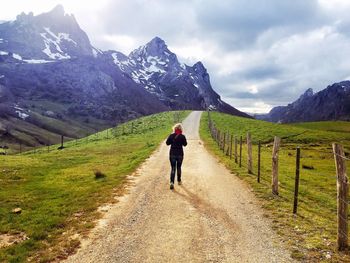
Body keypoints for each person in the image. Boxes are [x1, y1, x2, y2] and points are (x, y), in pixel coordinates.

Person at [166, 123, 187, 190]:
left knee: (173, 168)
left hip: (172, 154)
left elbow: (167, 143)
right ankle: (179, 181)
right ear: (181, 129)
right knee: (179, 167)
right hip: (180, 154)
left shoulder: (171, 135)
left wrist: (171, 140)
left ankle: (172, 182)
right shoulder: (182, 136)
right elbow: (185, 144)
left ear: (174, 128)